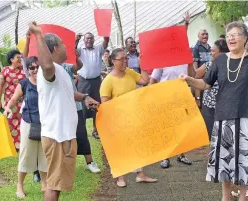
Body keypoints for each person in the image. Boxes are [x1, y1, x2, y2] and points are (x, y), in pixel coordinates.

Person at [182, 21, 248, 201]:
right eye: (228, 35)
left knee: (244, 158)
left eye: (235, 34)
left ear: (245, 38)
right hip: (223, 116)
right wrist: (189, 79)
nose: (231, 38)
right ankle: (226, 196)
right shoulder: (220, 60)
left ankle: (243, 196)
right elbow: (206, 83)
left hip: (247, 116)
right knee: (225, 159)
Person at [28, 21, 98, 201]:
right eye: (63, 44)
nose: (66, 47)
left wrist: (84, 97)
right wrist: (38, 36)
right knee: (54, 185)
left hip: (64, 135)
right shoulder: (49, 70)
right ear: (56, 49)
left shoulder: (60, 70)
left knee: (57, 185)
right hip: (57, 136)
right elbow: (46, 66)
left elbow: (67, 93)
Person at [100, 48, 158, 188]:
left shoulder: (130, 73)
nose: (125, 61)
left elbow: (145, 80)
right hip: (119, 119)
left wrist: (142, 63)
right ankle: (121, 177)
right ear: (113, 61)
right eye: (122, 59)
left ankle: (140, 174)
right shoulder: (107, 81)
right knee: (120, 148)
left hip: (134, 116)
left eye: (126, 58)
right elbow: (105, 105)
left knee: (138, 144)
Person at [4, 57, 48, 198]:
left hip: (46, 123)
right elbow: (13, 99)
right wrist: (7, 109)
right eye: (32, 68)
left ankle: (45, 184)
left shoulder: (47, 83)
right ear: (27, 70)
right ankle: (20, 186)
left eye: (37, 67)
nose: (35, 70)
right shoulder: (24, 83)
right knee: (26, 154)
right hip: (29, 122)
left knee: (44, 154)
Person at [151, 63, 195, 168]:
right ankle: (165, 157)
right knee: (167, 128)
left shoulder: (185, 61)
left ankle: (181, 155)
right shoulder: (162, 61)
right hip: (165, 100)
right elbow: (152, 81)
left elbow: (193, 76)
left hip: (181, 98)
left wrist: (190, 64)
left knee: (182, 127)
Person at [76, 31, 110, 143]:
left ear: (94, 40)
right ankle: (82, 131)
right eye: (87, 38)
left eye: (91, 38)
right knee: (82, 106)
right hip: (83, 81)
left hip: (96, 81)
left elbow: (106, 41)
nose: (89, 40)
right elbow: (73, 52)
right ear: (84, 40)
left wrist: (106, 31)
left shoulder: (98, 49)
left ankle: (96, 130)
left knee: (97, 105)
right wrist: (76, 40)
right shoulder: (80, 50)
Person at [195, 39, 228, 139]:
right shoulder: (208, 65)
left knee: (225, 136)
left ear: (222, 53)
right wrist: (197, 98)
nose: (210, 53)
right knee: (211, 136)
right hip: (209, 107)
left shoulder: (233, 66)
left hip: (227, 107)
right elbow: (194, 76)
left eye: (213, 51)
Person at [0, 49, 26, 148]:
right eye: (18, 58)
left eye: (21, 58)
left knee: (22, 122)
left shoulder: (25, 69)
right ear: (11, 59)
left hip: (23, 101)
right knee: (10, 122)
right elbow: (0, 86)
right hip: (10, 102)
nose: (20, 60)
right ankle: (11, 145)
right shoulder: (5, 70)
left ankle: (21, 144)